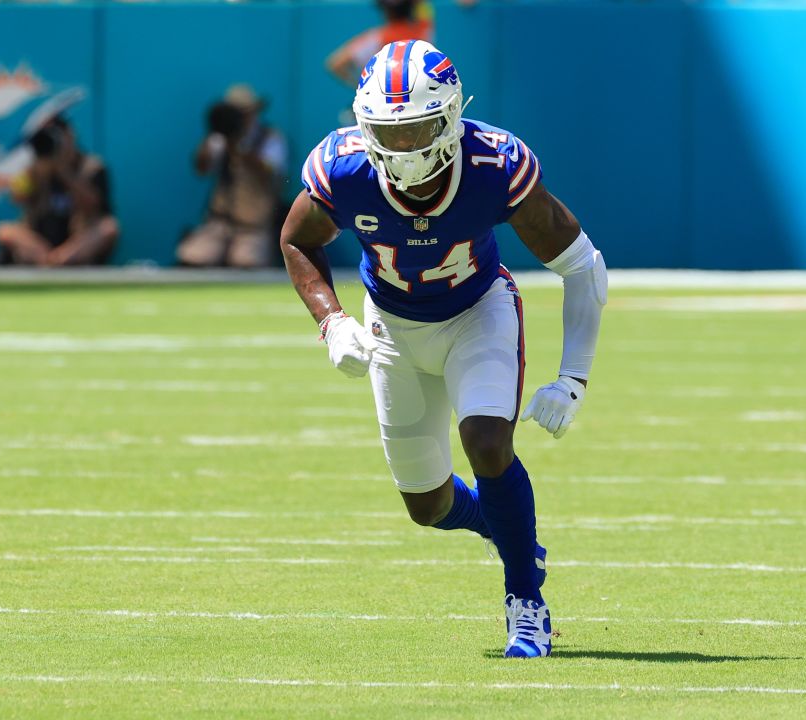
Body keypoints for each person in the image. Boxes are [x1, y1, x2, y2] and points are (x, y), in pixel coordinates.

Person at [281, 40, 607, 658]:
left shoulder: (494, 166)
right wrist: (331, 321)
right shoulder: (343, 169)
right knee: (426, 505)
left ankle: (526, 601)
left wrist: (573, 379)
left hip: (477, 313)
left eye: (419, 130)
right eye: (387, 131)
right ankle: (505, 529)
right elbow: (296, 240)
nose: (403, 148)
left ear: (453, 117)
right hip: (391, 328)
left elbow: (582, 264)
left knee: (486, 441)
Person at [177, 85, 288, 269]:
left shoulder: (270, 138)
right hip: (219, 222)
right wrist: (213, 133)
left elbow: (271, 174)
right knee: (193, 257)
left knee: (245, 262)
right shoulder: (219, 138)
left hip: (254, 226)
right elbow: (201, 169)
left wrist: (240, 149)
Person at [0, 114, 118, 267]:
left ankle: (59, 260)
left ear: (70, 136)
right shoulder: (35, 167)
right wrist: (37, 172)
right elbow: (17, 198)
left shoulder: (91, 166)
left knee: (108, 228)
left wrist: (64, 171)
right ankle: (49, 260)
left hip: (76, 243)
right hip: (40, 243)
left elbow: (94, 205)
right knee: (4, 230)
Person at [326, 1, 434, 89]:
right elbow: (425, 8)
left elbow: (335, 64)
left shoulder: (377, 38)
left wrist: (364, 89)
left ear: (384, 10)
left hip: (386, 102)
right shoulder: (425, 31)